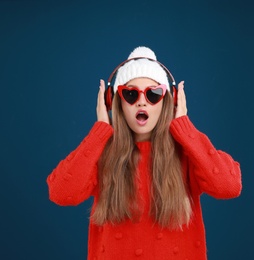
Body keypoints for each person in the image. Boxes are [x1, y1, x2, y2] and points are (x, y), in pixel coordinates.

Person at [47, 46, 242, 260]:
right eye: (130, 94)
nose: (142, 101)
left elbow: (229, 186)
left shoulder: (187, 153)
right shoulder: (101, 153)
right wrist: (99, 130)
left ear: (170, 100)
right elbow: (60, 192)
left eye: (153, 94)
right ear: (114, 102)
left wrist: (185, 126)